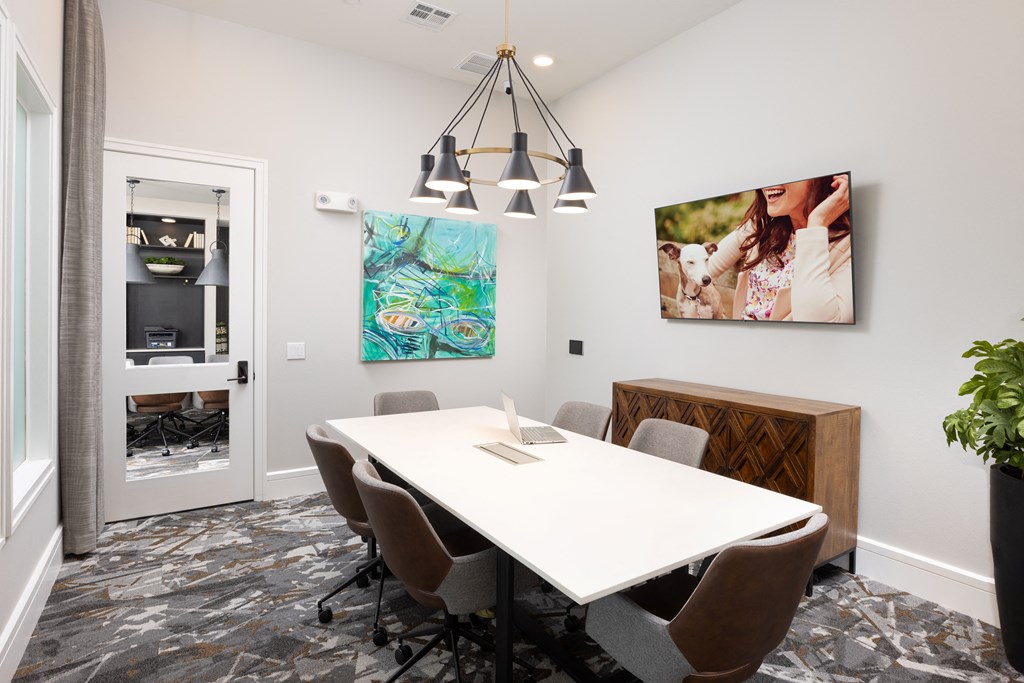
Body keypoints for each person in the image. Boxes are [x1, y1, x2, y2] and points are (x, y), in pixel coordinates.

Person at [707, 173, 853, 322]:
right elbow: (702, 269)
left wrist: (817, 223)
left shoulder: (848, 246)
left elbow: (817, 324)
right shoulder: (760, 226)